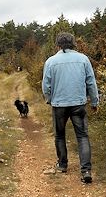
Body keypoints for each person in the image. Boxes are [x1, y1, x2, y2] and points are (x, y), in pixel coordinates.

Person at [42, 32, 99, 183]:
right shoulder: (83, 59)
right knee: (82, 136)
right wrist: (94, 102)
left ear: (58, 45)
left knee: (59, 135)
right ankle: (86, 170)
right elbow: (91, 82)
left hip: (59, 104)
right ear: (74, 44)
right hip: (78, 104)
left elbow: (46, 85)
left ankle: (62, 165)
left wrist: (49, 99)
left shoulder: (51, 61)